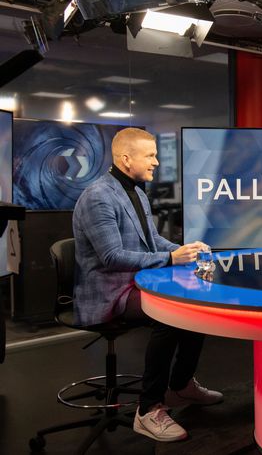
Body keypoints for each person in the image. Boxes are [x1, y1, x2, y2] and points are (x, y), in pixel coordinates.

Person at [73, 128, 223, 442]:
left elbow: (152, 241)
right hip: (109, 291)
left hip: (137, 282)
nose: (156, 162)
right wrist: (171, 259)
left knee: (195, 306)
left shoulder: (137, 192)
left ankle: (180, 387)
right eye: (150, 156)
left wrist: (183, 250)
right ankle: (148, 409)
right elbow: (112, 257)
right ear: (126, 159)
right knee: (169, 316)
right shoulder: (98, 196)